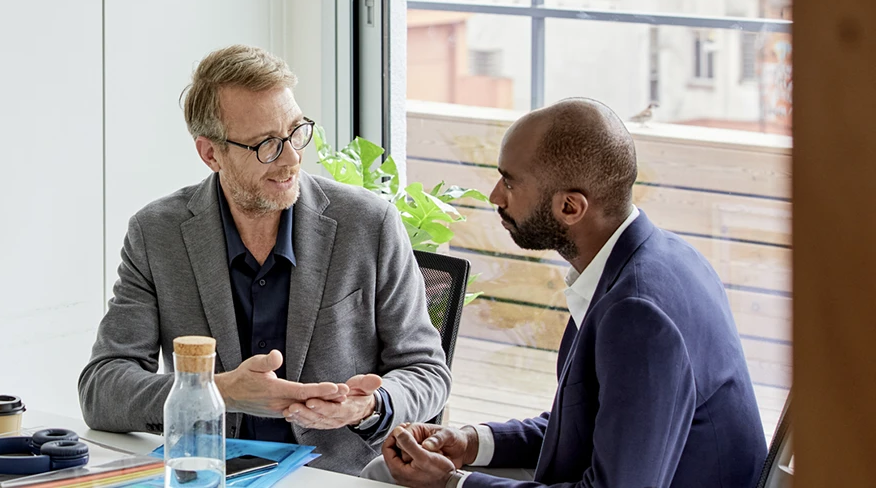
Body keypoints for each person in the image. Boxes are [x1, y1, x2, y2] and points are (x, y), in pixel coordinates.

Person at [78, 44, 451, 475]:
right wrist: (220, 392)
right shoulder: (156, 233)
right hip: (208, 474)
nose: (291, 158)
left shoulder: (369, 224)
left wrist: (369, 406)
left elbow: (425, 370)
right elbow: (101, 388)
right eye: (266, 146)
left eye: (296, 132)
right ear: (211, 154)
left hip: (335, 477)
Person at [363, 98, 767, 487]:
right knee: (385, 472)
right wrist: (471, 442)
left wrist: (451, 483)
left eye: (509, 182)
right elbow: (580, 426)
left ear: (571, 208)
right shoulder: (663, 255)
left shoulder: (638, 314)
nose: (495, 197)